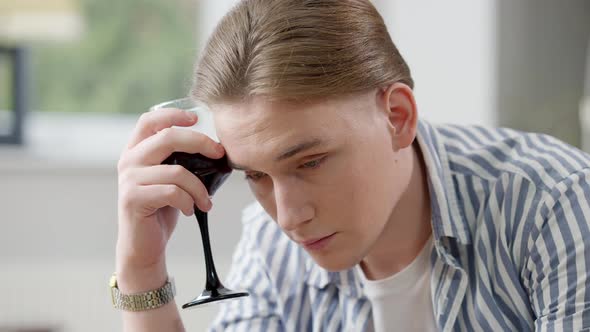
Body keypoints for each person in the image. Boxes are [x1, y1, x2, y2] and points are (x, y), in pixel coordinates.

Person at [113, 0, 590, 331]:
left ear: (396, 117)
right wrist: (141, 269)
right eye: (256, 175)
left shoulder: (553, 207)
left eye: (311, 162)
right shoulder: (270, 251)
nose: (288, 216)